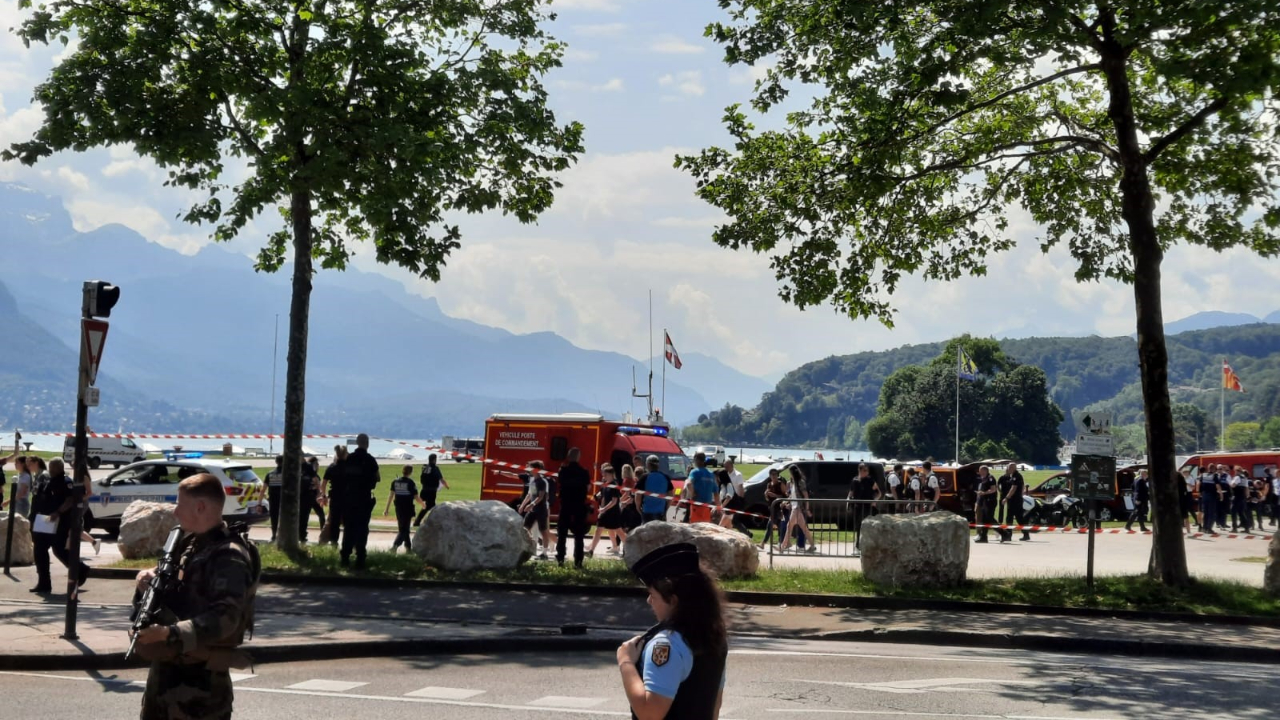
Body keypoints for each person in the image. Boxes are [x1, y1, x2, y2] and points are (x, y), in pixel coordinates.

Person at [132, 473, 261, 720]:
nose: (176, 512)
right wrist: (146, 582)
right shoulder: (190, 545)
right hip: (165, 683)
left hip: (200, 692)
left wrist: (171, 633)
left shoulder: (229, 557)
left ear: (200, 507)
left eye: (180, 504)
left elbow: (226, 617)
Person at [616, 542, 727, 719]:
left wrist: (626, 662)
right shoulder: (713, 636)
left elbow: (650, 714)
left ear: (674, 601)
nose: (649, 601)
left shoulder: (666, 644)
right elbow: (715, 705)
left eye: (653, 595)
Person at [29, 458, 90, 594]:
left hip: (59, 522)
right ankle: (44, 583)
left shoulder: (66, 482)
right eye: (50, 467)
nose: (50, 469)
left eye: (53, 467)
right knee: (39, 550)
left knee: (59, 549)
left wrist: (58, 512)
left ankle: (80, 569)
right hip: (44, 521)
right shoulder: (48, 480)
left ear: (59, 468)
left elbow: (70, 499)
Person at [338, 434, 380, 569]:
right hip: (364, 498)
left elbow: (342, 476)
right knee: (362, 528)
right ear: (367, 443)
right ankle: (360, 558)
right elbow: (377, 478)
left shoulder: (349, 459)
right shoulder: (370, 460)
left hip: (349, 498)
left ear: (357, 443)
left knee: (349, 528)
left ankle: (345, 556)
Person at [556, 447, 591, 568]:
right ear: (578, 457)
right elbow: (588, 488)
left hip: (565, 505)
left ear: (568, 457)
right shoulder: (584, 472)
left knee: (562, 533)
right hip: (579, 505)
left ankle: (560, 559)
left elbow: (559, 484)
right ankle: (578, 561)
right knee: (579, 535)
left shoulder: (563, 471)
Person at [588, 463, 626, 555]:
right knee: (598, 530)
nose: (603, 476)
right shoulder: (605, 485)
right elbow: (604, 498)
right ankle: (591, 551)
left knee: (619, 532)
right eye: (603, 474)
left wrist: (604, 509)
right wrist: (601, 508)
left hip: (613, 513)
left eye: (606, 474)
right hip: (605, 512)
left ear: (611, 474)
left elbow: (614, 501)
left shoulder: (614, 485)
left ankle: (630, 546)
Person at [779, 465, 816, 554]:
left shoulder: (800, 482)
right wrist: (786, 502)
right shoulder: (792, 482)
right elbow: (792, 496)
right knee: (802, 528)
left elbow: (806, 496)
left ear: (793, 473)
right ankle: (812, 546)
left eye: (790, 472)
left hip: (798, 508)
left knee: (789, 526)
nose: (789, 474)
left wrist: (807, 509)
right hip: (795, 507)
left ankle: (784, 546)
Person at [383, 464, 421, 552]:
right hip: (407, 508)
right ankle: (395, 546)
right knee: (404, 530)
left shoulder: (395, 482)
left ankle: (408, 547)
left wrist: (386, 509)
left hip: (398, 508)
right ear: (410, 472)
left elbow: (391, 496)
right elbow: (416, 496)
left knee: (403, 528)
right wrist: (423, 504)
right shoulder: (410, 483)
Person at [518, 461, 551, 559]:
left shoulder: (542, 482)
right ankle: (527, 547)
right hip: (532, 510)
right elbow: (529, 495)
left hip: (541, 510)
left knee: (543, 531)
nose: (529, 470)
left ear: (536, 469)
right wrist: (523, 506)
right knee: (525, 528)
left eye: (531, 468)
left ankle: (544, 553)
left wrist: (531, 504)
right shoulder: (532, 481)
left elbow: (541, 496)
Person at [321, 445, 348, 546]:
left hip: (335, 498)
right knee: (348, 522)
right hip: (347, 497)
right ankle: (347, 543)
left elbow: (323, 484)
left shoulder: (332, 467)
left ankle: (334, 543)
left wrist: (324, 496)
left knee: (334, 523)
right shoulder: (349, 466)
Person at [413, 454, 449, 527]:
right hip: (431, 490)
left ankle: (418, 521)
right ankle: (429, 521)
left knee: (429, 506)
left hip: (424, 489)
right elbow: (441, 479)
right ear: (434, 460)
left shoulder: (424, 467)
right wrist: (446, 485)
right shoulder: (435, 468)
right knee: (432, 506)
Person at [716, 459, 750, 535]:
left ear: (731, 465)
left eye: (727, 466)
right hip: (728, 502)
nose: (726, 468)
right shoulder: (725, 474)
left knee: (730, 522)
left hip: (734, 501)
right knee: (731, 523)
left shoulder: (738, 475)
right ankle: (745, 535)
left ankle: (747, 534)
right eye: (724, 466)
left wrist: (741, 500)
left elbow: (740, 488)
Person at [758, 467, 788, 549]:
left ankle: (763, 543)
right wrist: (766, 494)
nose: (774, 476)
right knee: (779, 526)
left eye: (775, 474)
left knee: (770, 525)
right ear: (770, 476)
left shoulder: (780, 484)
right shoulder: (769, 484)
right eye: (772, 474)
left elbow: (785, 496)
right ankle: (785, 542)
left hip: (779, 508)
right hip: (772, 507)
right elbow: (767, 498)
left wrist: (775, 495)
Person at [1000, 462, 1030, 542]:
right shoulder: (1012, 476)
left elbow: (1013, 488)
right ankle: (1025, 534)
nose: (1008, 469)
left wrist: (1006, 498)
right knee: (1018, 518)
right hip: (1014, 500)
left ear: (1014, 468)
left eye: (1009, 468)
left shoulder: (1016, 476)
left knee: (1012, 518)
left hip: (1015, 500)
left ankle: (1009, 535)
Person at [685, 453, 717, 524]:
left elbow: (688, 483)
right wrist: (718, 507)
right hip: (707, 506)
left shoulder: (695, 472)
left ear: (696, 460)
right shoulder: (711, 474)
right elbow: (716, 493)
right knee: (705, 528)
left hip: (696, 505)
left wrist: (692, 494)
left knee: (695, 528)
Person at [639, 455, 672, 524]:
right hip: (661, 511)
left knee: (647, 533)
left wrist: (638, 509)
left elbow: (637, 495)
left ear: (647, 464)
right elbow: (671, 495)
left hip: (647, 511)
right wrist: (666, 509)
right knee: (660, 533)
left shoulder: (644, 477)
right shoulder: (665, 477)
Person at [299, 455, 324, 544]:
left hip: (313, 497)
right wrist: (319, 493)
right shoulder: (309, 473)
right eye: (316, 464)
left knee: (321, 515)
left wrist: (319, 493)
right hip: (307, 497)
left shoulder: (314, 474)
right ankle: (302, 536)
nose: (318, 466)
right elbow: (316, 485)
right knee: (304, 517)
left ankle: (323, 534)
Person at [974, 465, 998, 543]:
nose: (979, 472)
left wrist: (984, 493)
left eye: (981, 470)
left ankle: (1002, 532)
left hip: (989, 501)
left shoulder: (990, 478)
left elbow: (993, 489)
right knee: (984, 518)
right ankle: (982, 536)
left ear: (985, 470)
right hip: (981, 501)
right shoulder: (981, 479)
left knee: (989, 518)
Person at [1198, 465, 1223, 533]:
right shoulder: (1214, 476)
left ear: (1208, 468)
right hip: (1212, 496)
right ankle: (1209, 528)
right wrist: (1221, 495)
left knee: (1205, 512)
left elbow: (1199, 484)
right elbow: (1217, 486)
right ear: (1214, 469)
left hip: (1204, 495)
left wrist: (1200, 493)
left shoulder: (1203, 475)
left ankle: (1204, 528)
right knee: (1211, 513)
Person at [619, 464, 644, 533]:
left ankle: (621, 540)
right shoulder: (634, 480)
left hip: (627, 504)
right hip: (631, 502)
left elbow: (627, 493)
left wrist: (620, 500)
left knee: (622, 523)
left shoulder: (626, 480)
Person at [265, 455, 284, 542]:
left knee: (274, 518)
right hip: (284, 499)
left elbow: (263, 489)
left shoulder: (270, 474)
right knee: (284, 517)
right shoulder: (287, 474)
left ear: (276, 462)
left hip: (273, 499)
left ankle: (273, 535)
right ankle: (283, 536)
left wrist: (260, 501)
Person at [1230, 466, 1252, 532]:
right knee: (1241, 512)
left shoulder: (1237, 477)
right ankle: (1247, 527)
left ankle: (1234, 528)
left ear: (1237, 471)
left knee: (1233, 512)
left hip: (1236, 496)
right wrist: (1247, 496)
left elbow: (1233, 485)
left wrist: (1230, 483)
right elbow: (1246, 488)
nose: (1235, 472)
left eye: (1236, 471)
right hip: (1242, 497)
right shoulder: (1244, 478)